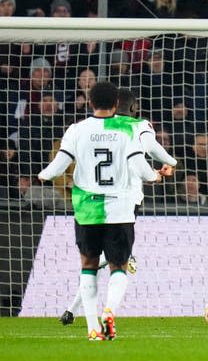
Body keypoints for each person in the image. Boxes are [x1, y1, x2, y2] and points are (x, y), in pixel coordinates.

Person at [38, 82, 162, 341]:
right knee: (118, 264)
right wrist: (160, 172)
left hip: (88, 208)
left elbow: (59, 165)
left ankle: (86, 321)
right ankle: (97, 311)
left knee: (89, 264)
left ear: (90, 102)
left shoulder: (78, 129)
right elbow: (142, 163)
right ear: (126, 106)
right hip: (124, 205)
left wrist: (44, 174)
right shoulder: (134, 128)